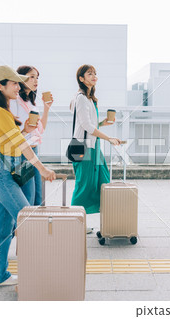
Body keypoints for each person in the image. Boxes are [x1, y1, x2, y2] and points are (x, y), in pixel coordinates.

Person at [0, 65, 56, 287]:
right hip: (2, 176)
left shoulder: (3, 112)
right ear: (0, 86)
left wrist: (24, 129)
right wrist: (43, 169)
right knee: (28, 221)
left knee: (1, 229)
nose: (18, 86)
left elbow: (11, 141)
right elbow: (22, 146)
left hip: (4, 174)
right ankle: (40, 273)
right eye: (14, 83)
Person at [70, 64, 121, 233]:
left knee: (103, 181)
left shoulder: (89, 98)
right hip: (83, 148)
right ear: (81, 78)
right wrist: (109, 138)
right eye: (89, 74)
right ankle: (76, 223)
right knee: (84, 185)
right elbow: (85, 125)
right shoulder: (81, 98)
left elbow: (89, 124)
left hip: (92, 147)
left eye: (95, 74)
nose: (94, 76)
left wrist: (102, 123)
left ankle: (106, 218)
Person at [13, 65, 53, 206]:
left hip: (33, 150)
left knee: (38, 195)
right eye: (31, 77)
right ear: (21, 79)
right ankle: (22, 227)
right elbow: (15, 131)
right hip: (23, 152)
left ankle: (35, 227)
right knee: (27, 194)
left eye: (37, 77)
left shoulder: (31, 102)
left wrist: (46, 109)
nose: (35, 81)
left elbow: (39, 130)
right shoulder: (16, 100)